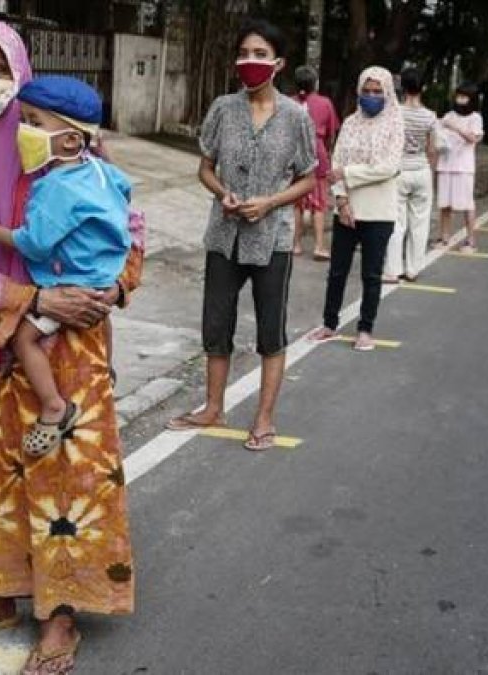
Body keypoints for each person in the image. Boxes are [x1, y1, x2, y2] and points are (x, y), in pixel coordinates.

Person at [0, 21, 144, 675]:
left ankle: (61, 614)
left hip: (74, 348)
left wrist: (108, 289)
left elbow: (127, 239)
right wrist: (35, 301)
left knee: (67, 481)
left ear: (21, 76)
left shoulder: (67, 153)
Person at [0, 75, 132, 458]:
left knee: (24, 339)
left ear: (70, 139)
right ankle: (108, 370)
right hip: (105, 278)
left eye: (35, 123)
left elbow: (34, 243)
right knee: (102, 318)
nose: (24, 131)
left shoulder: (57, 187)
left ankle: (53, 406)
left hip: (70, 283)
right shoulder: (102, 171)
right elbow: (126, 190)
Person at [164, 19, 317, 451]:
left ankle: (264, 418)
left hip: (273, 240)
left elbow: (309, 178)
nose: (251, 62)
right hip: (223, 235)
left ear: (279, 63)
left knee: (271, 330)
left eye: (261, 55)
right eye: (245, 53)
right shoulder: (222, 109)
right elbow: (205, 169)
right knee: (216, 325)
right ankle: (213, 408)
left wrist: (270, 201)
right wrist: (224, 193)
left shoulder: (294, 118)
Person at [308, 66, 404, 352]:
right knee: (337, 271)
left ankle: (366, 328)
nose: (371, 96)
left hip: (379, 212)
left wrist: (347, 174)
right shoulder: (350, 123)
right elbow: (336, 163)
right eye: (367, 91)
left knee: (371, 274)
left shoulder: (395, 123)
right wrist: (341, 200)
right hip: (346, 210)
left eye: (377, 92)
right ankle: (329, 324)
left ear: (387, 94)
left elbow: (388, 168)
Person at [382, 66, 437, 284]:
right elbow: (432, 149)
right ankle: (413, 268)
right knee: (420, 222)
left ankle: (392, 270)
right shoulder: (430, 117)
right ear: (422, 87)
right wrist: (430, 171)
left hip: (398, 171)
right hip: (422, 170)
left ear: (402, 87)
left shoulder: (394, 114)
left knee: (396, 222)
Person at [291, 64, 339, 260]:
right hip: (317, 153)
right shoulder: (325, 103)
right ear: (315, 83)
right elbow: (331, 132)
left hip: (294, 154)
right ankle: (319, 246)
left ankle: (295, 245)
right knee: (319, 203)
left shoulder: (288, 102)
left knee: (296, 203)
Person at [434, 83, 484, 250]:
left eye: (464, 97)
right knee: (444, 204)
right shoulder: (448, 115)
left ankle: (471, 239)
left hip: (464, 167)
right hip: (446, 164)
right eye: (458, 96)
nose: (460, 100)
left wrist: (454, 127)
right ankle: (444, 237)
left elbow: (473, 139)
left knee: (467, 204)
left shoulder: (475, 118)